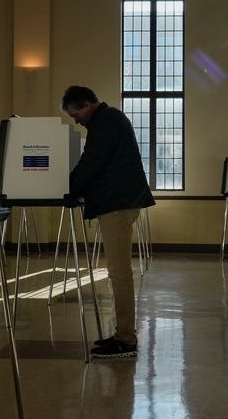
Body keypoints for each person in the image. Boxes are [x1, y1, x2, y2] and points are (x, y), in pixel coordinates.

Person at [62, 86, 155, 359]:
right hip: (118, 202)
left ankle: (126, 339)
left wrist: (67, 189)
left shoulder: (106, 121)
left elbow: (92, 162)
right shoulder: (107, 120)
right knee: (118, 271)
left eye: (76, 112)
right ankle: (122, 334)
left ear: (89, 103)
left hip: (118, 204)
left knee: (119, 272)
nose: (74, 119)